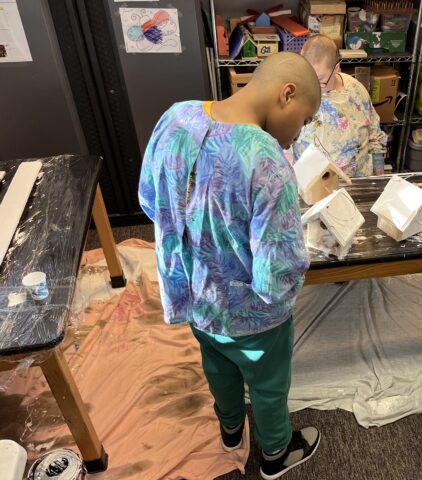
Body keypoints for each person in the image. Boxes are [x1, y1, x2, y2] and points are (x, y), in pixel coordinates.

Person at [138, 52, 322, 479]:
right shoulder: (268, 161)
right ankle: (275, 453)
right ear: (286, 93)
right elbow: (277, 271)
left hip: (194, 293)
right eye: (305, 119)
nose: (298, 135)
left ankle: (230, 430)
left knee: (216, 364)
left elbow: (150, 199)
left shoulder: (176, 119)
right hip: (252, 314)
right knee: (268, 384)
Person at [291, 34, 388, 176]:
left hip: (355, 182)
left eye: (319, 79)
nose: (313, 85)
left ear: (337, 68)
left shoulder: (356, 90)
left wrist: (379, 166)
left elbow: (374, 130)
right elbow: (281, 144)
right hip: (310, 185)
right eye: (308, 76)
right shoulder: (295, 94)